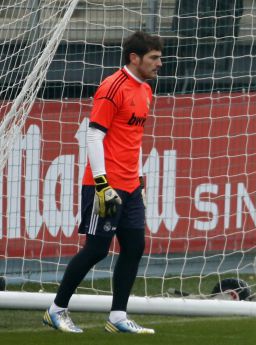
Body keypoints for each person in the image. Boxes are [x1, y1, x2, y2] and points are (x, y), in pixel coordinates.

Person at [43, 31, 163, 334]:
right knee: (97, 249)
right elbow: (95, 134)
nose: (159, 63)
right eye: (154, 58)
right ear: (134, 58)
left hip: (131, 185)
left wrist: (137, 177)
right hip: (106, 185)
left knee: (135, 246)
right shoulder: (112, 87)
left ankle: (118, 317)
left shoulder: (146, 90)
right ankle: (56, 310)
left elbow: (133, 140)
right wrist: (102, 184)